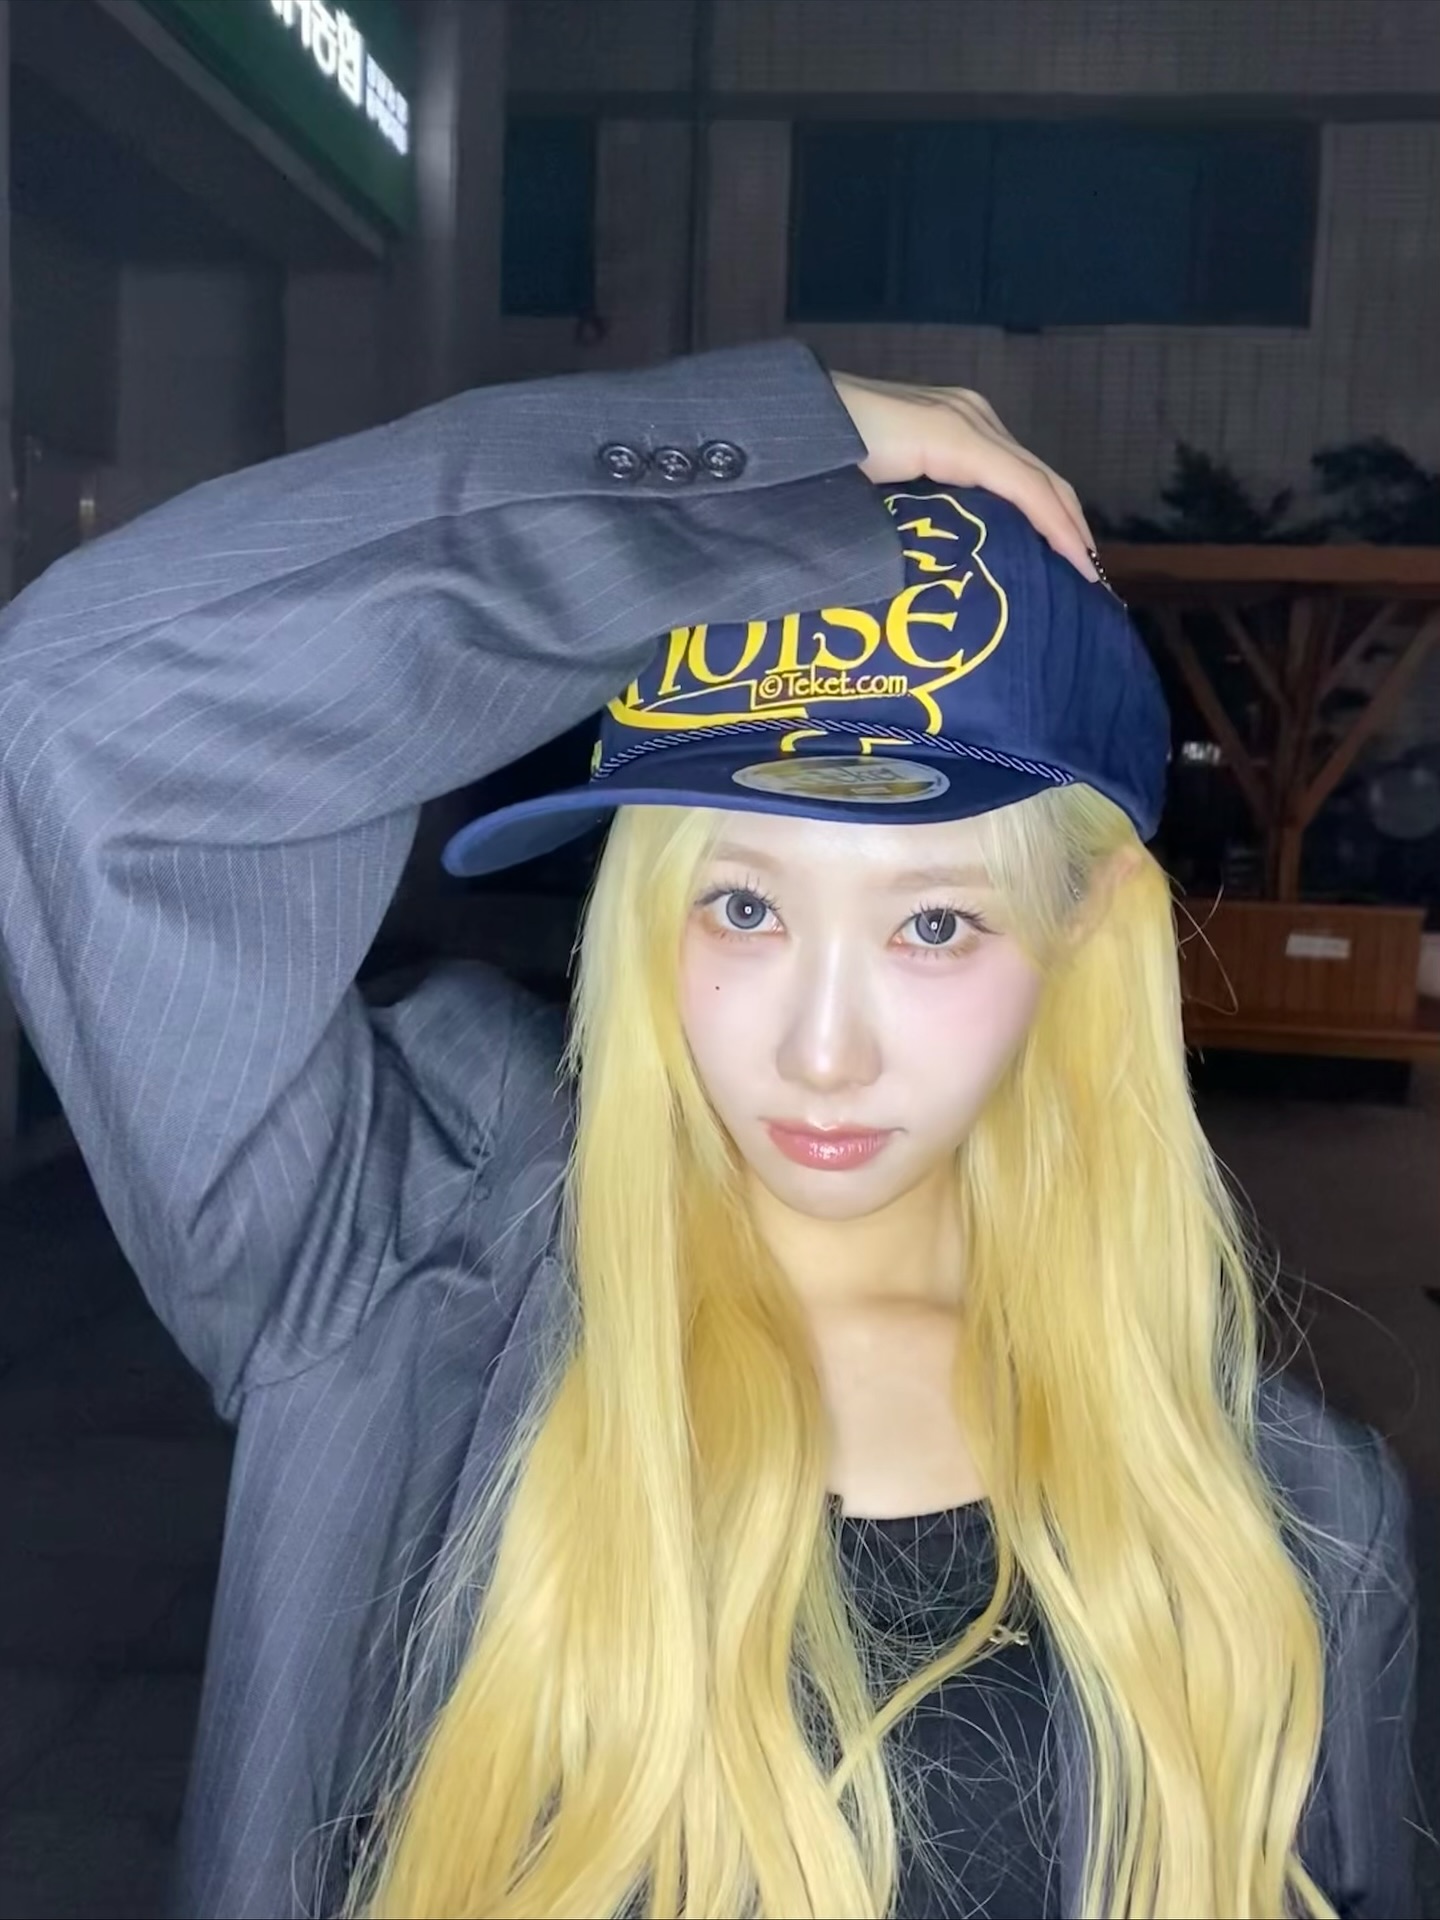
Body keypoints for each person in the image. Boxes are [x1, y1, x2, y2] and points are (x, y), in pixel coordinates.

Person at [0, 342, 1419, 1920]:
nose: (819, 1051)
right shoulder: (408, 1282)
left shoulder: (1293, 1526)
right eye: (744, 906)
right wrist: (751, 445)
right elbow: (87, 709)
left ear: (1083, 934)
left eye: (933, 926)